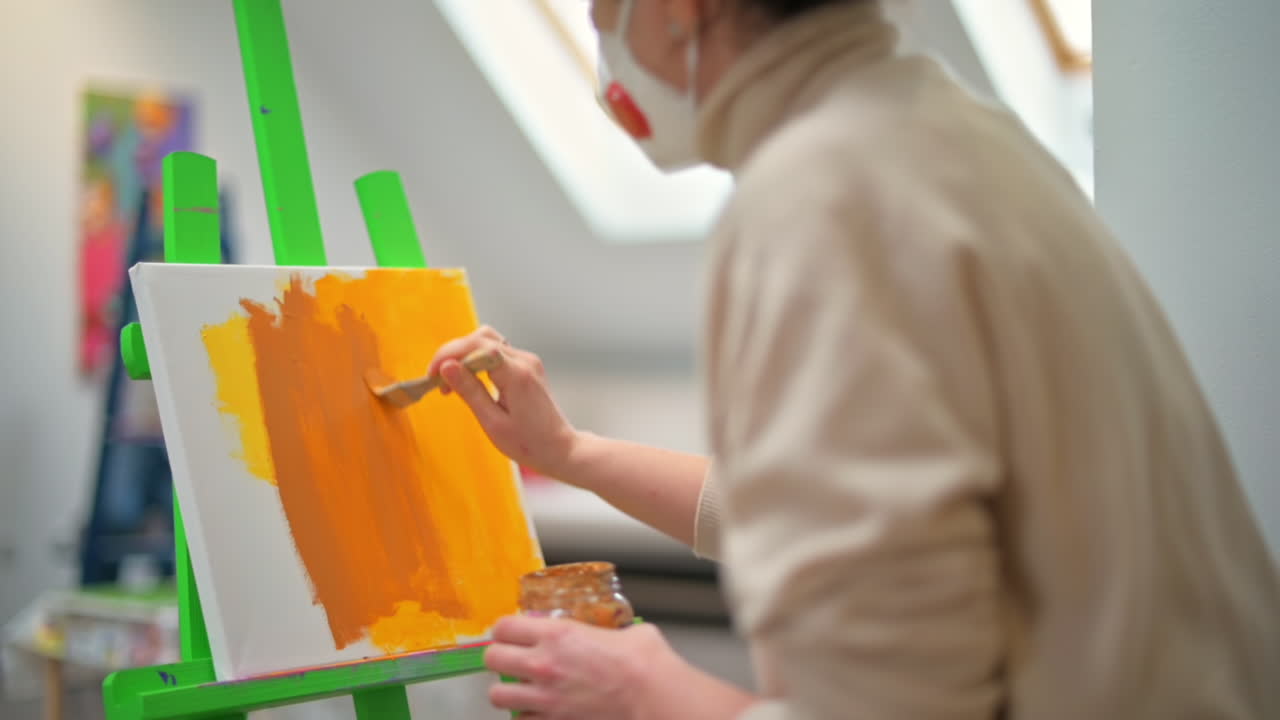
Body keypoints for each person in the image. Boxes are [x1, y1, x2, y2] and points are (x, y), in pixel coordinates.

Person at [427, 0, 1280, 717]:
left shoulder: (817, 197)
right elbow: (842, 503)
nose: (598, 34)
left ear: (683, 8)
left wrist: (651, 691)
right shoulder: (948, 130)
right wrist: (570, 455)